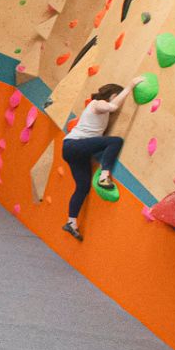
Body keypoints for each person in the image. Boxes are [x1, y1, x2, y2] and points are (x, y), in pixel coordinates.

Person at [61, 83, 132, 241]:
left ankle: (71, 222)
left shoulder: (100, 112)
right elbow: (112, 107)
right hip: (74, 145)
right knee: (115, 141)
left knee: (83, 186)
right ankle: (104, 176)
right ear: (113, 95)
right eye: (117, 96)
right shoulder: (97, 103)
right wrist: (130, 87)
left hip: (74, 151)